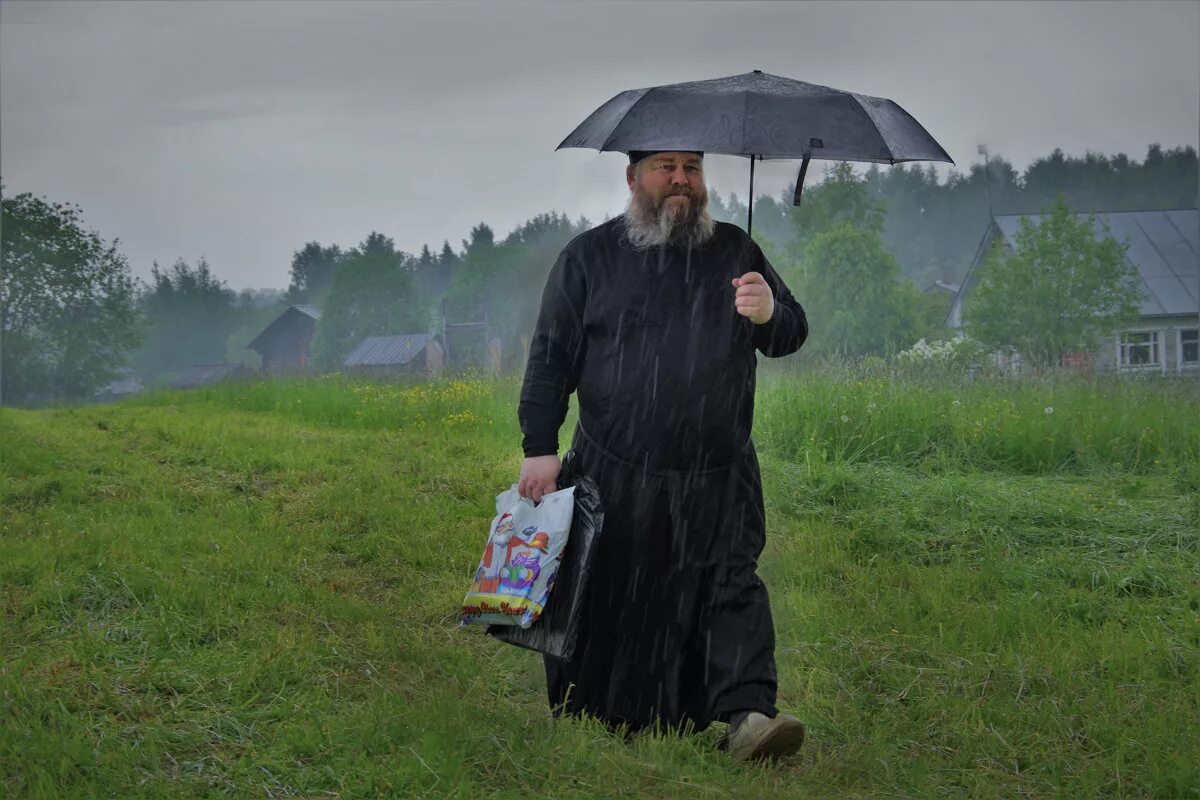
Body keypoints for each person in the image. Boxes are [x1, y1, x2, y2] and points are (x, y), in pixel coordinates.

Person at [516, 149, 809, 762]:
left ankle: (749, 715)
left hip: (719, 468)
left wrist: (769, 311)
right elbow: (550, 357)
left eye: (693, 168)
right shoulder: (589, 258)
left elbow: (789, 333)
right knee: (616, 591)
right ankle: (612, 713)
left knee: (730, 584)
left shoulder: (737, 252)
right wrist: (539, 448)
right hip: (615, 468)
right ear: (633, 178)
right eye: (665, 166)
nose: (681, 179)